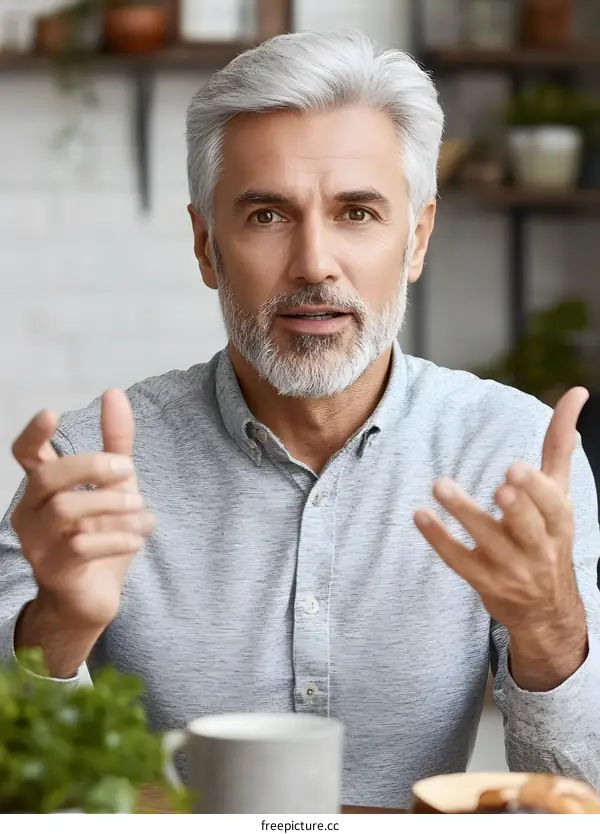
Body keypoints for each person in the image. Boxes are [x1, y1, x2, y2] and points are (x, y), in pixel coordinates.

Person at [1, 29, 599, 809]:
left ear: (415, 239)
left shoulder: (513, 452)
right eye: (267, 216)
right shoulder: (87, 470)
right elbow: (19, 786)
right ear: (206, 245)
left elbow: (578, 800)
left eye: (357, 212)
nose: (315, 262)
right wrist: (55, 630)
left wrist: (551, 632)